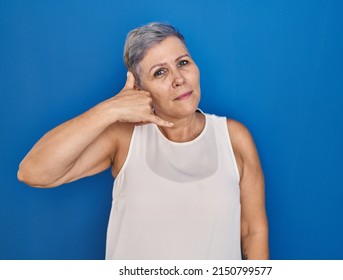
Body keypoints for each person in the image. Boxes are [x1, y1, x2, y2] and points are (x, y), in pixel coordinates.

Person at [17, 22, 269, 260]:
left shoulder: (233, 137)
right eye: (160, 72)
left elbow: (252, 231)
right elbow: (34, 172)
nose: (179, 78)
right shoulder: (124, 137)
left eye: (183, 62)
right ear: (139, 89)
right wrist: (110, 110)